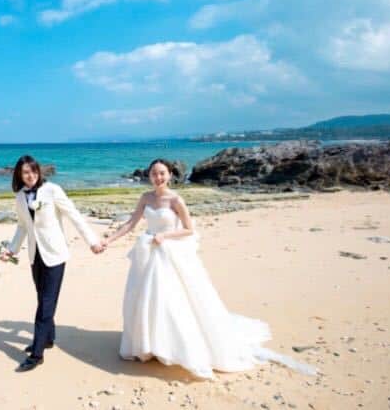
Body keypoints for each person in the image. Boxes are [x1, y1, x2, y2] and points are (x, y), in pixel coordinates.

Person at [102, 158, 316, 379]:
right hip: (147, 254)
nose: (158, 177)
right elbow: (131, 224)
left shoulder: (176, 199)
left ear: (170, 175)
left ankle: (173, 345)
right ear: (149, 176)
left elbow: (189, 229)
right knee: (145, 299)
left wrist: (165, 235)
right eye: (154, 173)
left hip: (167, 253)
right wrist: (107, 241)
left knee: (170, 300)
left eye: (162, 173)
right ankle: (149, 344)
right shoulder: (145, 198)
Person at [0, 154, 104, 372]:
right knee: (43, 298)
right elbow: (22, 226)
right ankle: (48, 338)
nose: (30, 175)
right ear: (19, 175)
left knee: (45, 305)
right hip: (35, 255)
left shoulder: (53, 190)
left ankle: (37, 354)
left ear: (38, 171)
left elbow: (74, 215)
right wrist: (11, 250)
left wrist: (92, 241)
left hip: (55, 254)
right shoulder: (20, 196)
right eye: (25, 172)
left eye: (33, 171)